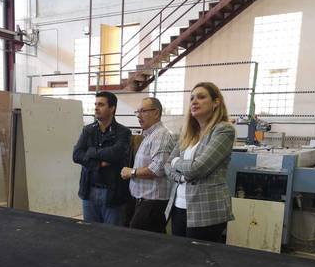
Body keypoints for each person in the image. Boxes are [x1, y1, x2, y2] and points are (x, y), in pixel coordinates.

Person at [164, 82, 235, 242]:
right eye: (192, 98)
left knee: (200, 257)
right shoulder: (188, 133)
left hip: (206, 210)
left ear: (216, 102)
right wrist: (181, 177)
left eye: (201, 97)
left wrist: (176, 161)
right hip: (179, 205)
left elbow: (197, 168)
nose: (194, 102)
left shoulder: (223, 130)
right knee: (180, 254)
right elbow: (167, 165)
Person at [72, 91, 131, 225]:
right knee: (90, 233)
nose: (96, 108)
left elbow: (115, 153)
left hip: (112, 194)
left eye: (101, 104)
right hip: (89, 191)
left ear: (112, 108)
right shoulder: (88, 130)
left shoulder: (123, 132)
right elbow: (76, 155)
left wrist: (91, 151)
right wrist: (98, 164)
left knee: (111, 234)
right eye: (95, 104)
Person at [120, 97, 177, 233]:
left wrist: (132, 172)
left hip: (152, 203)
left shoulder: (161, 135)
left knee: (140, 240)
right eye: (137, 112)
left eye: (143, 111)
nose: (139, 115)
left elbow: (158, 169)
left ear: (156, 113)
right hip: (144, 201)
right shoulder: (150, 135)